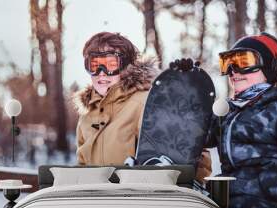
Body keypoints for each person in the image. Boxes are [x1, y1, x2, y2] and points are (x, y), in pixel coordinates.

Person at [73, 32, 212, 182]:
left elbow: (190, 161)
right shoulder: (87, 116)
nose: (101, 73)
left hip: (140, 201)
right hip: (97, 202)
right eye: (94, 65)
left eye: (110, 64)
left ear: (126, 66)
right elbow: (82, 167)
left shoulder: (148, 103)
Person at [205, 32, 277, 208]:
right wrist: (186, 83)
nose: (234, 70)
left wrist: (269, 186)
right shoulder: (233, 111)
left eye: (244, 61)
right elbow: (200, 135)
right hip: (231, 205)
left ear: (271, 67)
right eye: (228, 63)